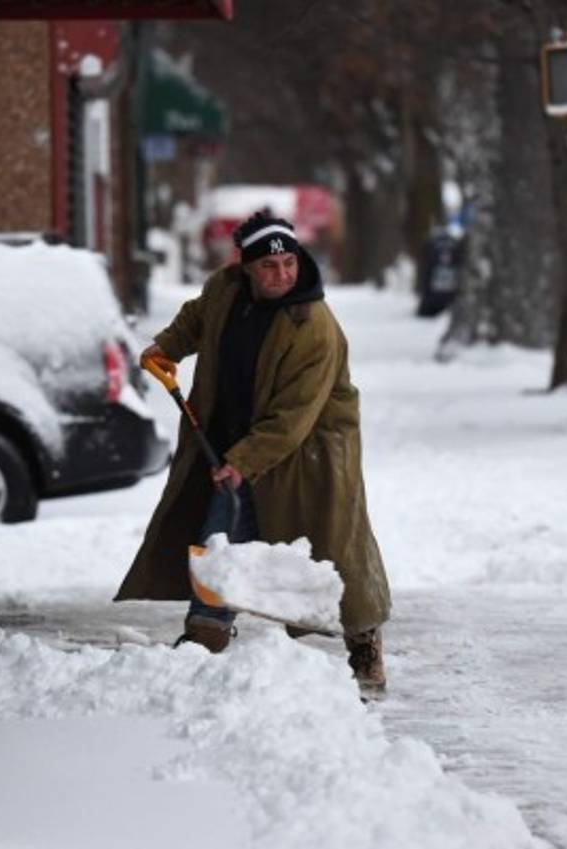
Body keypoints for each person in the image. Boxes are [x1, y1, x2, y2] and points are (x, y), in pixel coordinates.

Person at [114, 211, 391, 695]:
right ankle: (204, 636)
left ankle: (363, 642)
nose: (282, 274)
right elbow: (198, 316)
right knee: (217, 537)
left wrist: (243, 461)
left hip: (311, 451)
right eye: (269, 266)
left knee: (332, 548)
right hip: (232, 437)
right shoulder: (226, 289)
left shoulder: (313, 326)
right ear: (246, 267)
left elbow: (293, 416)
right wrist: (168, 347)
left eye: (289, 262)